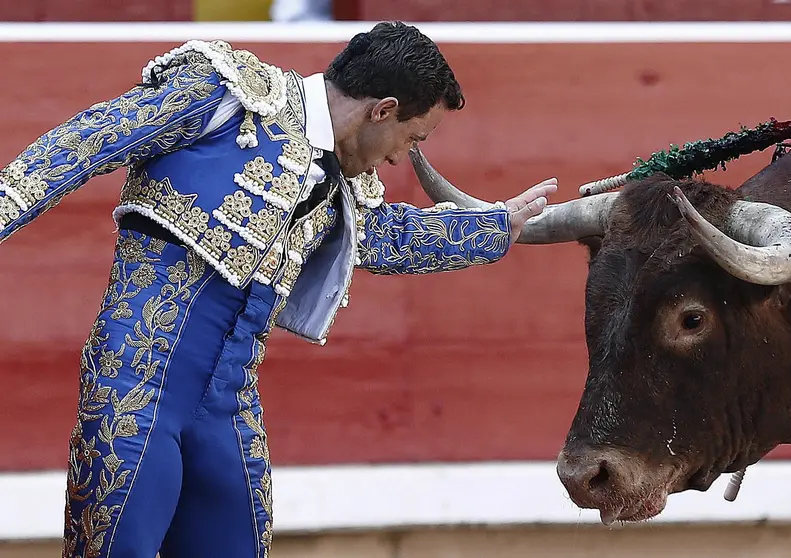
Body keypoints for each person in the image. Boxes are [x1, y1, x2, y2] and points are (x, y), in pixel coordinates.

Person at [0, 21, 556, 557]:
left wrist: (496, 226)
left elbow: (386, 239)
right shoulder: (225, 94)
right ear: (382, 110)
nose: (397, 157)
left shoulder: (348, 183)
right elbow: (83, 145)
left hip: (228, 412)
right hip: (135, 394)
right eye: (411, 138)